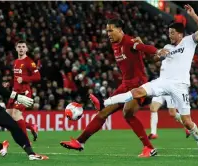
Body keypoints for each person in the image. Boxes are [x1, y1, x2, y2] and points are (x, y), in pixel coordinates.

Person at [103, 5, 198, 157]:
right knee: (137, 91)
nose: (170, 36)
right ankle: (107, 101)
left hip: (180, 86)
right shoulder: (167, 46)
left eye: (172, 33)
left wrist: (193, 15)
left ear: (180, 34)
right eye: (169, 33)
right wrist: (149, 50)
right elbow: (154, 60)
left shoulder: (189, 41)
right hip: (162, 81)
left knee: (187, 122)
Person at [60, 18, 169, 157]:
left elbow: (144, 47)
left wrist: (158, 51)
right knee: (102, 113)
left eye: (111, 30)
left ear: (120, 30)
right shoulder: (114, 44)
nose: (108, 33)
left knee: (128, 113)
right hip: (125, 85)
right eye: (107, 31)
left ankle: (149, 148)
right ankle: (80, 142)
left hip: (139, 85)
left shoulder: (129, 41)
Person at [6, 40, 40, 142]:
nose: (21, 48)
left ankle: (26, 142)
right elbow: (16, 78)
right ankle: (31, 126)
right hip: (15, 93)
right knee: (8, 117)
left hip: (24, 92)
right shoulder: (16, 62)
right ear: (16, 49)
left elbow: (37, 76)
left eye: (23, 47)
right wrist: (10, 83)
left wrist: (25, 79)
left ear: (26, 49)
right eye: (19, 46)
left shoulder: (29, 62)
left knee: (16, 114)